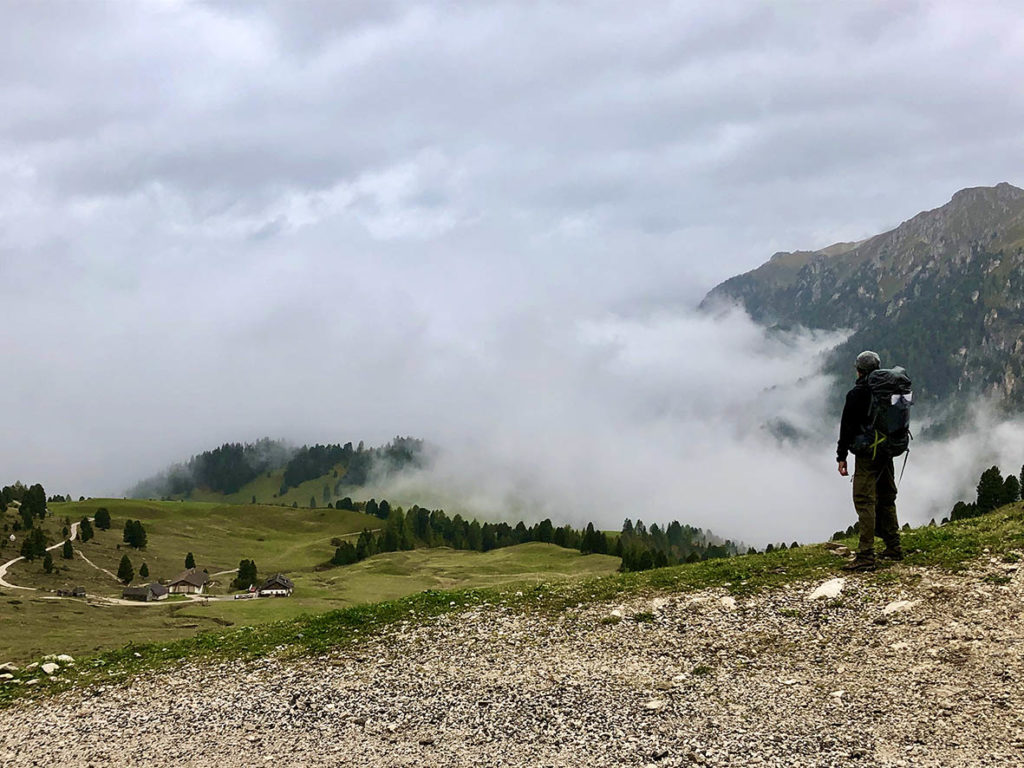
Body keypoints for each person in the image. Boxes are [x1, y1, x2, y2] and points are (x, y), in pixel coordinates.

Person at [836, 350, 903, 571]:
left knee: (865, 501)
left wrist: (842, 456)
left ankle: (866, 555)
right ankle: (894, 546)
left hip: (867, 454)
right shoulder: (890, 389)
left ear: (859, 371)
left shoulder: (856, 394)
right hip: (887, 450)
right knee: (886, 497)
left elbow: (847, 427)